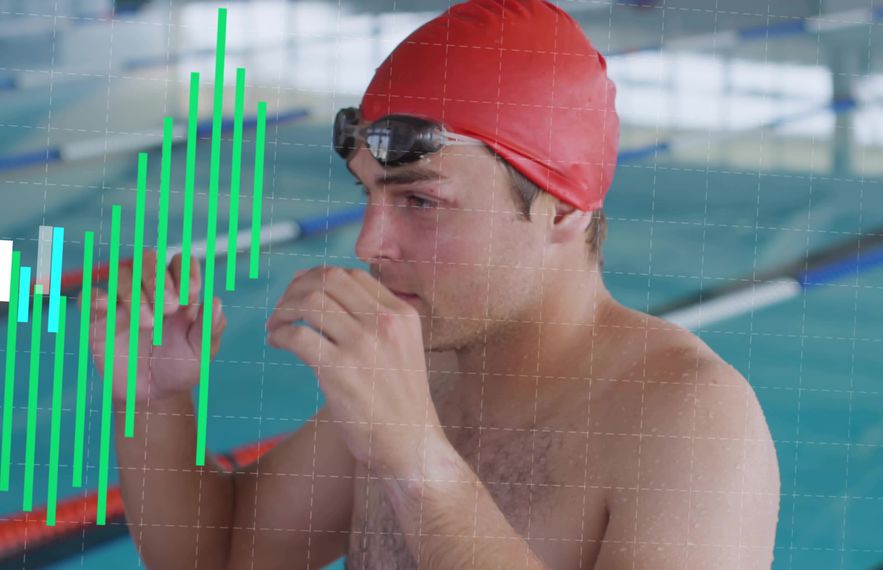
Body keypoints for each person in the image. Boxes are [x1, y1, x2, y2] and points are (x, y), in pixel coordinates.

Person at [84, 0, 779, 568]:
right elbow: (223, 555)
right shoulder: (429, 363)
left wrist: (418, 462)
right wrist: (157, 403)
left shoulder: (690, 420)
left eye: (420, 202)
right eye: (369, 195)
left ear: (563, 208)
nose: (367, 242)